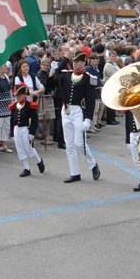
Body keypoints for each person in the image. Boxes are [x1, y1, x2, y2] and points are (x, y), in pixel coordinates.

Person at [59, 52, 100, 183]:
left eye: (79, 61)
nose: (76, 63)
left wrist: (88, 118)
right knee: (69, 144)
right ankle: (74, 172)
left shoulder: (88, 78)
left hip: (78, 111)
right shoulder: (65, 74)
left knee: (79, 144)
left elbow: (90, 100)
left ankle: (92, 164)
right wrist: (65, 57)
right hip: (66, 110)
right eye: (75, 61)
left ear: (84, 62)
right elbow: (54, 74)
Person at [9, 85, 45, 177]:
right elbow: (12, 120)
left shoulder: (30, 106)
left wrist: (32, 133)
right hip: (17, 129)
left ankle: (39, 161)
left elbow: (35, 121)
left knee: (28, 148)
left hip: (26, 129)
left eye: (19, 95)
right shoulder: (14, 106)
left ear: (24, 95)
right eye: (16, 95)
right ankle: (26, 168)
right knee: (20, 148)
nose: (17, 97)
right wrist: (12, 132)